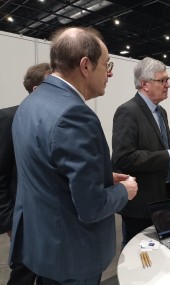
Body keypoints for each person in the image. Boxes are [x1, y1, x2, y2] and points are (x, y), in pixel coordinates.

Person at [10, 27, 138, 285]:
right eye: (106, 64)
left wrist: (101, 176)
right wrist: (125, 190)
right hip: (72, 255)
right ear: (85, 65)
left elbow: (49, 171)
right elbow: (91, 207)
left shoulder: (30, 103)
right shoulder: (74, 115)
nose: (110, 72)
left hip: (43, 245)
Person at [112, 57, 170, 247]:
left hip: (163, 197)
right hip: (139, 202)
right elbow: (124, 158)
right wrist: (168, 156)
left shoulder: (160, 112)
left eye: (167, 80)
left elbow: (158, 144)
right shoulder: (127, 111)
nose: (167, 85)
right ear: (145, 84)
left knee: (159, 253)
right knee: (136, 253)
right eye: (162, 80)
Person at [0, 62, 51, 285]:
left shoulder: (54, 121)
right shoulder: (8, 118)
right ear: (36, 90)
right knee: (24, 274)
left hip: (52, 217)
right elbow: (1, 174)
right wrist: (9, 222)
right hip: (23, 219)